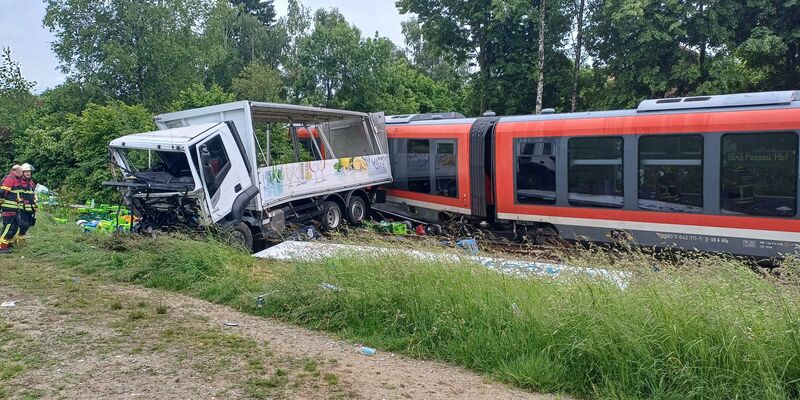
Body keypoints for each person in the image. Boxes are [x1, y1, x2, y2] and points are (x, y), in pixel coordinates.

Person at [0, 165, 22, 254]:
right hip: (8, 208)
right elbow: (2, 192)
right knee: (8, 227)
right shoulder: (10, 178)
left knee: (13, 227)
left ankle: (7, 244)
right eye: (21, 171)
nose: (22, 173)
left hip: (14, 209)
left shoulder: (15, 179)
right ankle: (1, 246)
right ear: (16, 171)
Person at [15, 163, 37, 246]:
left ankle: (21, 239)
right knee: (23, 224)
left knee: (29, 224)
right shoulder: (19, 182)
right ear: (22, 172)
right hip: (21, 207)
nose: (28, 173)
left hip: (30, 207)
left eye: (29, 172)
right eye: (26, 172)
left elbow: (33, 193)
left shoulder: (30, 182)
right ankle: (18, 240)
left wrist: (35, 202)